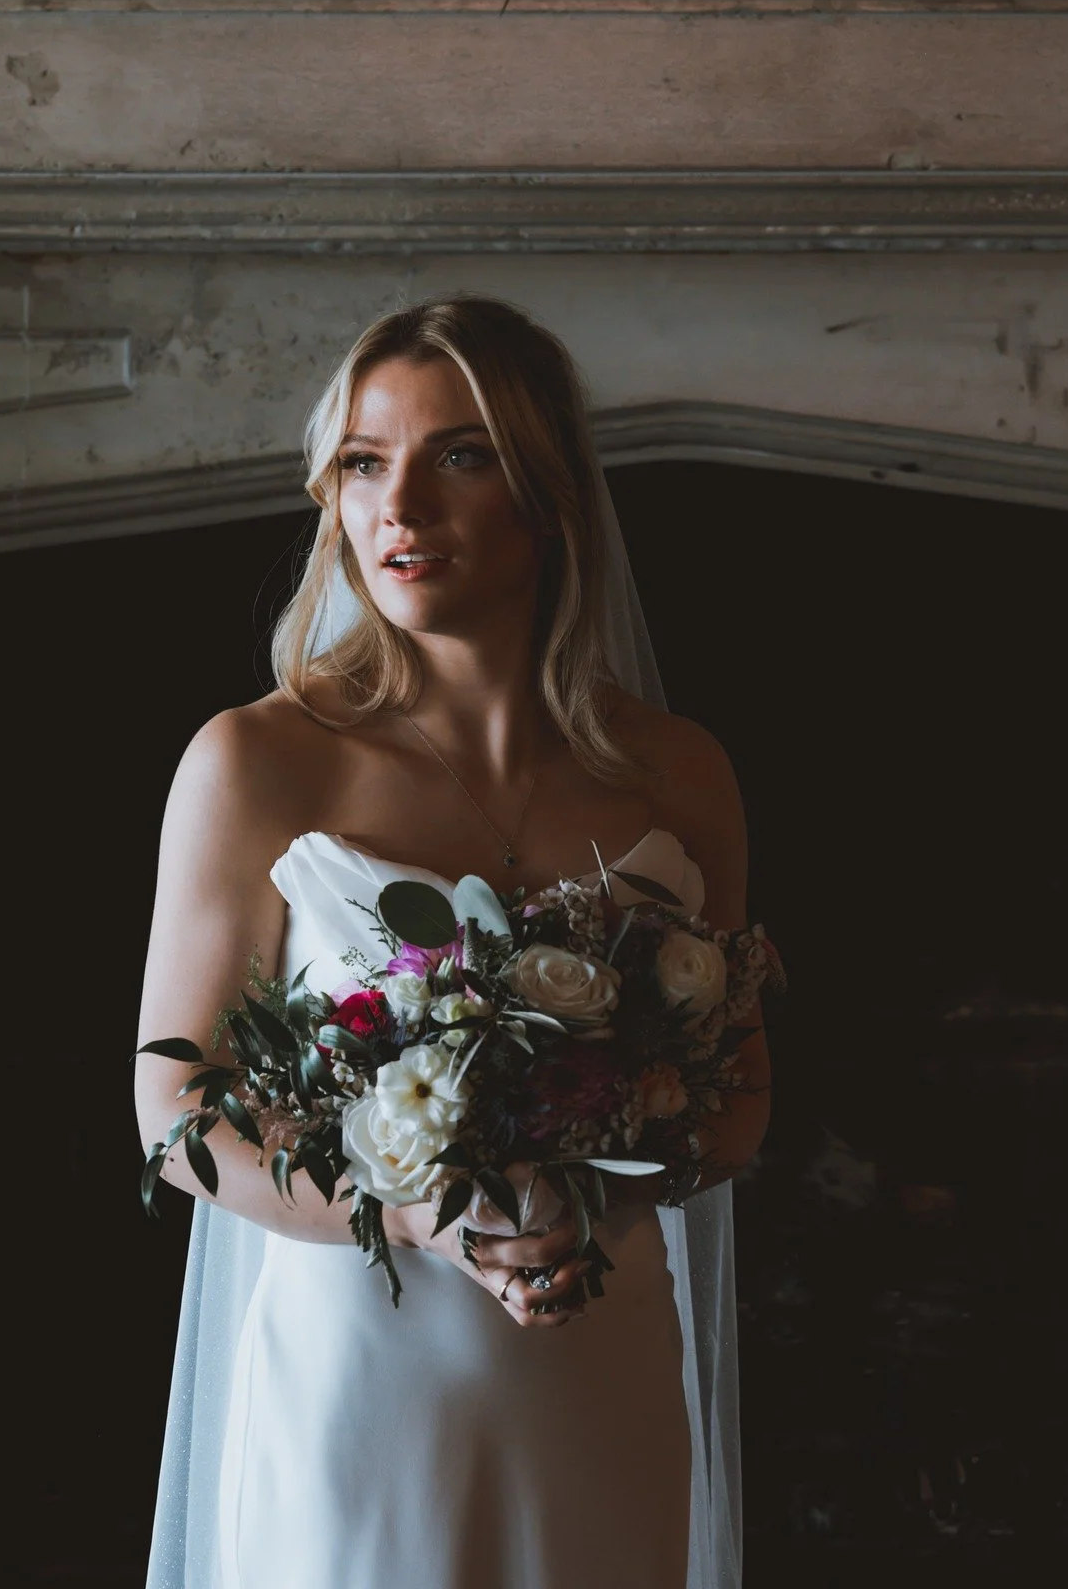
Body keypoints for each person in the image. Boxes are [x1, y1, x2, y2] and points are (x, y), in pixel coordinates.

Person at [136, 295, 773, 1589]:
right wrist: (421, 1212)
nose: (398, 505)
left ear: (546, 493)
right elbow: (175, 1110)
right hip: (356, 1373)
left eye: (460, 456)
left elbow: (746, 1098)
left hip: (593, 1363)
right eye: (365, 463)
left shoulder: (681, 775)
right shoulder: (257, 762)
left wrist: (591, 1179)